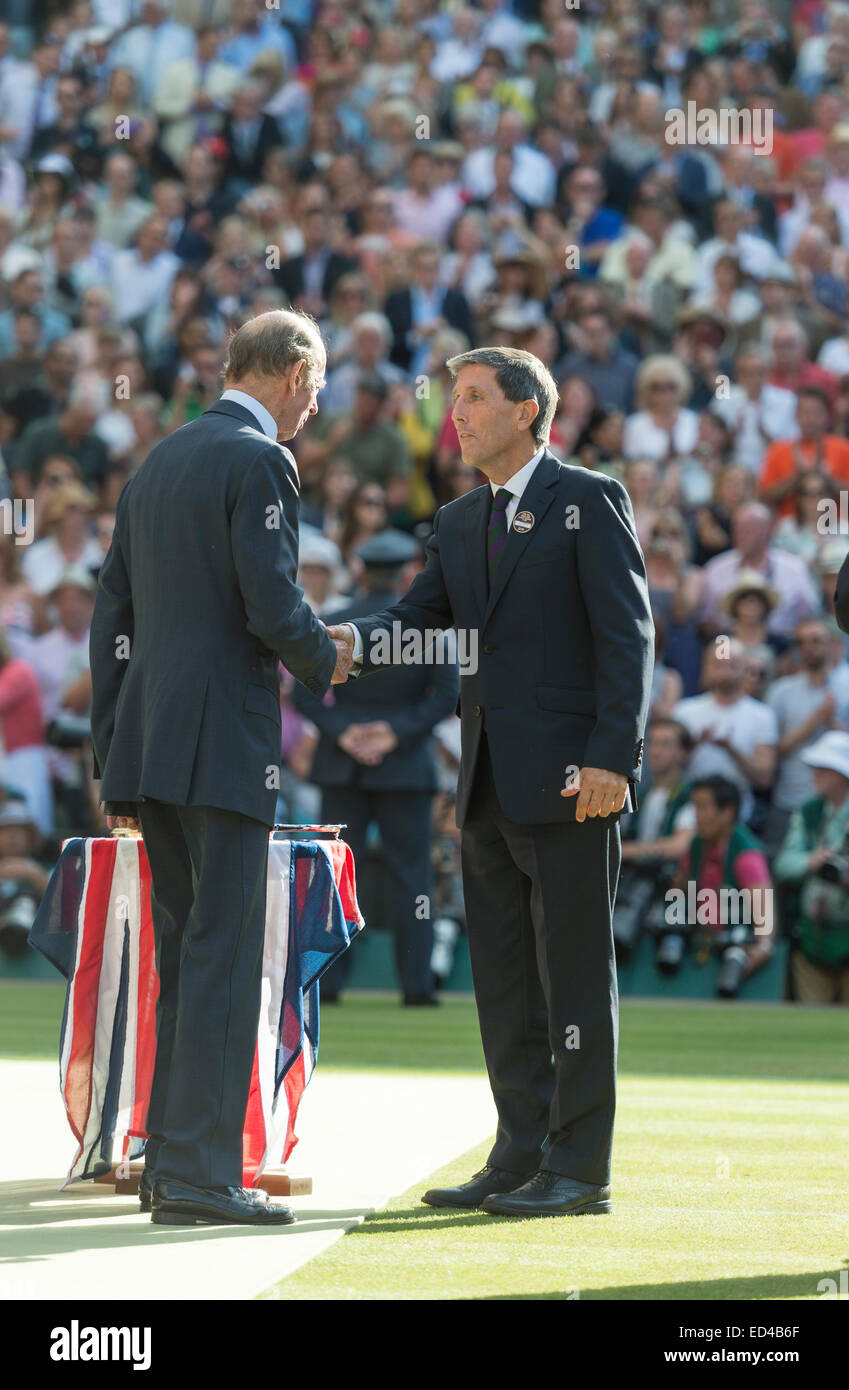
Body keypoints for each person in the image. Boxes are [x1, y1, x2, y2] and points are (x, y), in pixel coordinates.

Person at [327, 345, 654, 1218]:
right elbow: (416, 621)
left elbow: (628, 639)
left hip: (571, 784)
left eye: (473, 397)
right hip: (483, 790)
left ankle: (578, 1170)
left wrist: (612, 760)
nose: (456, 412)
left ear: (526, 412)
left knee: (574, 979)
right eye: (455, 397)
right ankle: (517, 1154)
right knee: (505, 983)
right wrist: (340, 645)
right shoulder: (461, 516)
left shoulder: (587, 497)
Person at [89, 309, 352, 1229]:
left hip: (153, 746)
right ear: (288, 374)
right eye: (314, 388)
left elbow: (109, 618)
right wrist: (330, 656)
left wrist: (111, 751)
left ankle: (171, 1162)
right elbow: (272, 602)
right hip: (223, 745)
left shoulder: (157, 463)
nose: (314, 407)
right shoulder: (260, 460)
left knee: (186, 955)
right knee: (223, 956)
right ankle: (198, 1177)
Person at [294, 528, 459, 1004]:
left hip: (342, 765)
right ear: (407, 572)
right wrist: (394, 732)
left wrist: (344, 730)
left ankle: (327, 984)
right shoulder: (426, 629)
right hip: (405, 767)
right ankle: (416, 985)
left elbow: (304, 694)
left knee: (338, 874)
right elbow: (446, 696)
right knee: (414, 878)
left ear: (361, 571)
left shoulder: (335, 621)